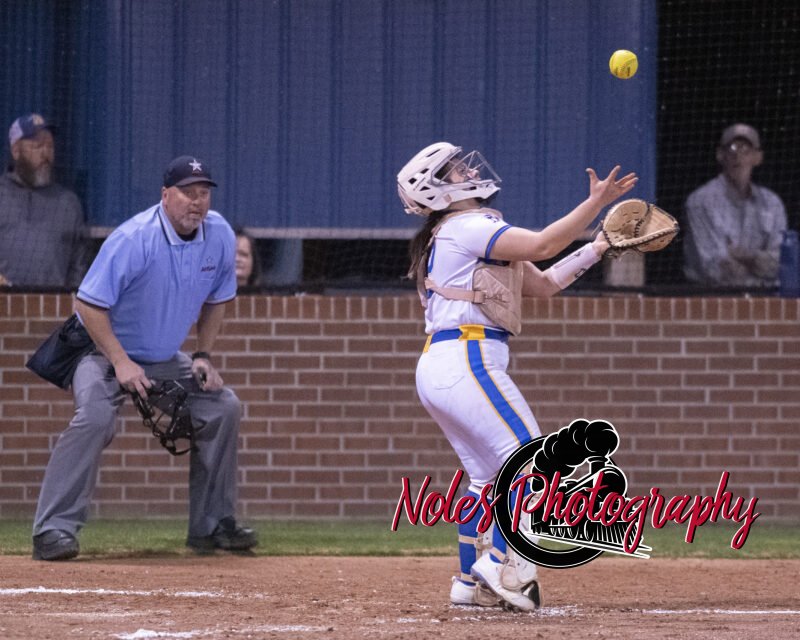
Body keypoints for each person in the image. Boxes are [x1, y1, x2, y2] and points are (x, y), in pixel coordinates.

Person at [398, 142, 637, 611]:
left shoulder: (452, 232)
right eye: (453, 169)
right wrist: (595, 203)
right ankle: (502, 565)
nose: (467, 169)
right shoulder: (469, 225)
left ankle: (468, 582)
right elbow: (544, 243)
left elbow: (543, 284)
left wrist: (596, 249)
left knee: (485, 479)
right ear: (438, 191)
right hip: (467, 358)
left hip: (445, 364)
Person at [31, 155, 257, 561]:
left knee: (224, 407)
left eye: (203, 193)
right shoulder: (134, 238)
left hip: (163, 357)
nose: (197, 202)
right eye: (188, 192)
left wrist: (203, 354)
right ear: (165, 195)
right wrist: (120, 361)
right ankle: (53, 530)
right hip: (100, 351)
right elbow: (88, 305)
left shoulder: (219, 234)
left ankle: (211, 527)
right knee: (95, 418)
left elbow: (219, 299)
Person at [683, 123, 787, 288]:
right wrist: (759, 263)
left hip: (764, 301)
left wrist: (746, 257)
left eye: (745, 148)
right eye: (731, 148)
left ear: (758, 157)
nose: (737, 155)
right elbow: (714, 269)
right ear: (720, 155)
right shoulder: (700, 201)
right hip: (712, 301)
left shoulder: (772, 203)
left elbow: (782, 264)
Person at [0, 113, 87, 288]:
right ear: (16, 151)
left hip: (52, 310)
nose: (45, 153)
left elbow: (79, 265)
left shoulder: (68, 203)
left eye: (49, 146)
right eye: (37, 146)